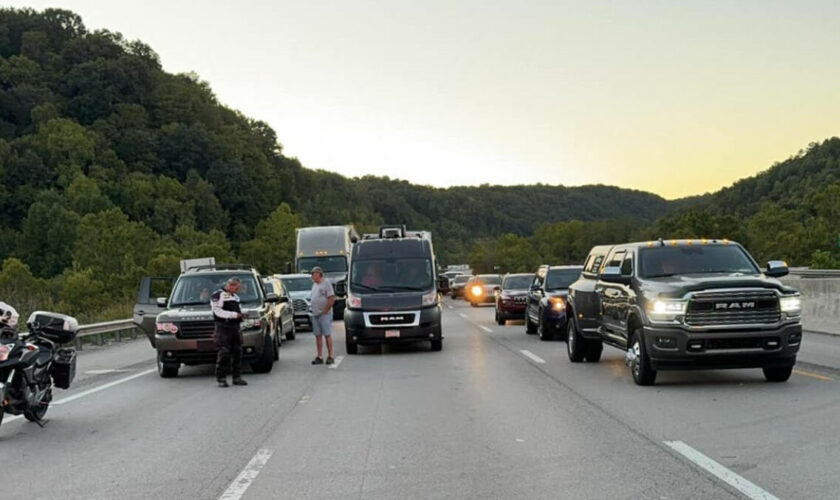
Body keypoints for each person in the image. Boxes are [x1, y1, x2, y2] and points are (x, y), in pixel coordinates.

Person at [211, 277, 247, 387]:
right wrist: (233, 315)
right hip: (223, 327)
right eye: (237, 287)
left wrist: (242, 315)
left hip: (235, 327)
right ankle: (221, 378)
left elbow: (238, 310)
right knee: (224, 352)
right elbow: (217, 311)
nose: (238, 290)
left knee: (238, 352)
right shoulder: (218, 295)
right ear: (231, 285)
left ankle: (237, 377)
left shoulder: (235, 297)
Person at [309, 267, 335, 365]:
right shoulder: (314, 285)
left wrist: (326, 309)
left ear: (319, 274)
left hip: (324, 314)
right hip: (315, 313)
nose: (312, 276)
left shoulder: (326, 284)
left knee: (327, 334)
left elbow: (331, 298)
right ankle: (319, 356)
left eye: (313, 274)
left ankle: (330, 355)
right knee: (318, 335)